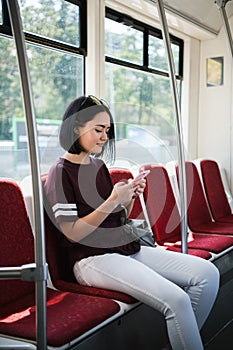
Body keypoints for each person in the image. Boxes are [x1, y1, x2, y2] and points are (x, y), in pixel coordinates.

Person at [44, 95, 220, 350]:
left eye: (107, 130)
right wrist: (112, 200)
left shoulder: (98, 166)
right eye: (98, 129)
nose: (105, 137)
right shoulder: (59, 173)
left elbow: (116, 219)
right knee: (177, 300)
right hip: (91, 260)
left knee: (207, 274)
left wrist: (127, 197)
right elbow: (72, 233)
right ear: (75, 128)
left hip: (122, 249)